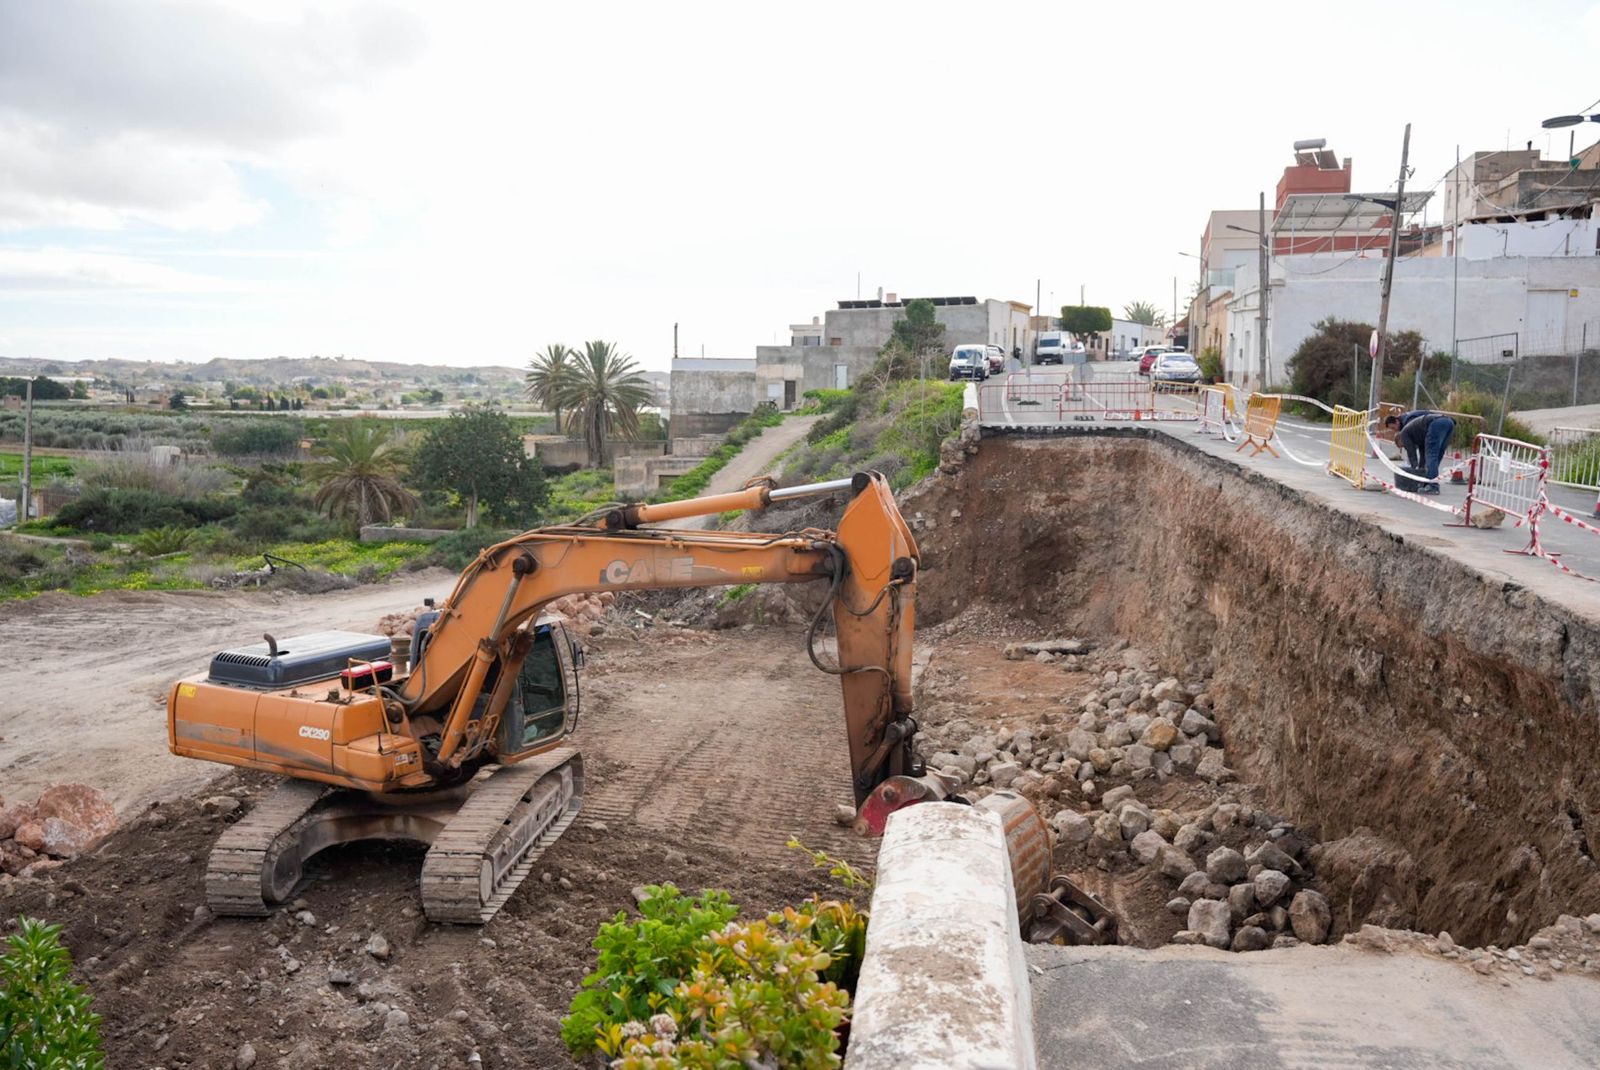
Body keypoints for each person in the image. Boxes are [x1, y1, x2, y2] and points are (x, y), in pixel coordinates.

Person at [1384, 410, 1455, 494]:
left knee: (1431, 456)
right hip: (1449, 422)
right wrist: (1421, 471)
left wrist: (1414, 472)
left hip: (1435, 424)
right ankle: (1429, 481)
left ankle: (1433, 487)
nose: (1405, 446)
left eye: (1403, 446)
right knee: (1436, 455)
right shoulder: (1416, 435)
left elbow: (1412, 454)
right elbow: (1422, 454)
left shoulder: (1404, 433)